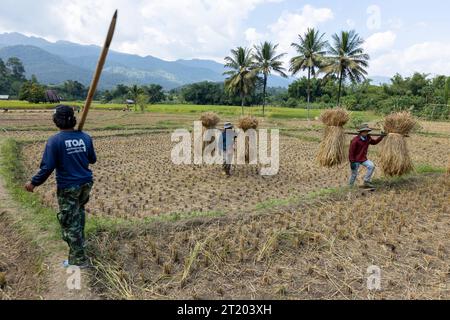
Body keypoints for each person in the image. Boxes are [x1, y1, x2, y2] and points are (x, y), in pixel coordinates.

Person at [24, 105, 97, 269]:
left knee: (69, 221)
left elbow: (47, 167)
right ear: (73, 119)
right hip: (85, 184)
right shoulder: (85, 137)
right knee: (78, 214)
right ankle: (79, 245)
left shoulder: (54, 141)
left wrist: (33, 182)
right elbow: (92, 160)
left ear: (56, 120)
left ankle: (79, 260)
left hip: (68, 187)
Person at [349, 124, 385, 188]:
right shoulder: (355, 140)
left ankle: (366, 181)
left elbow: (374, 142)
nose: (366, 133)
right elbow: (351, 152)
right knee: (354, 174)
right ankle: (350, 187)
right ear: (361, 132)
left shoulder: (368, 138)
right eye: (364, 131)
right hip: (355, 160)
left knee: (371, 166)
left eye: (367, 131)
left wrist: (381, 136)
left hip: (363, 159)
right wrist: (352, 162)